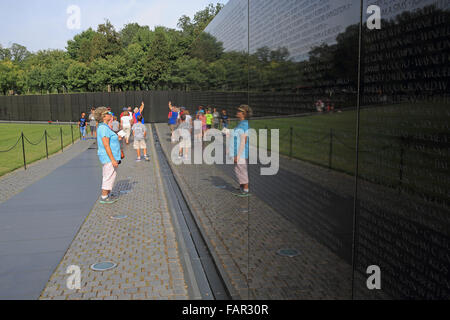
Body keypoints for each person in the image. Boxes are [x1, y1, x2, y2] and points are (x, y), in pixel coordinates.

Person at [94, 107, 122, 204]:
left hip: (111, 156)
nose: (110, 114)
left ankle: (108, 194)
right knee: (108, 176)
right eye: (108, 113)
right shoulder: (103, 128)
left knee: (111, 175)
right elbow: (106, 145)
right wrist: (113, 159)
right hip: (108, 157)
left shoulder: (105, 127)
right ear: (104, 116)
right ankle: (104, 196)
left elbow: (109, 141)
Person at [230, 105, 252, 197]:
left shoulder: (244, 125)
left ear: (243, 114)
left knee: (242, 170)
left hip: (240, 153)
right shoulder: (240, 124)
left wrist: (237, 155)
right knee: (238, 169)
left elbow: (244, 140)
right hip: (236, 151)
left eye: (239, 111)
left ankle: (246, 190)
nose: (237, 112)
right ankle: (241, 186)